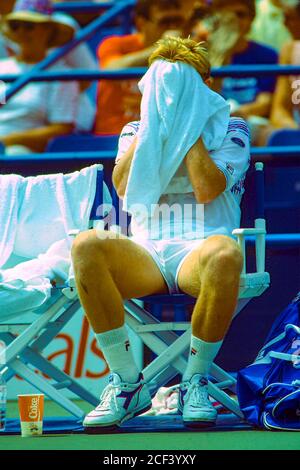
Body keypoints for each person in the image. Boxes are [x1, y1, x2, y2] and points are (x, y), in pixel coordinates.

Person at [72, 37, 250, 429]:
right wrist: (154, 125)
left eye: (182, 84)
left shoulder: (233, 127)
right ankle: (127, 384)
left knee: (225, 253)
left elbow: (207, 188)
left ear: (207, 84)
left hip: (201, 251)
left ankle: (194, 381)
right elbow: (121, 186)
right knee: (87, 245)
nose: (170, 93)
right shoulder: (135, 128)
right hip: (146, 252)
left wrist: (188, 122)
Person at [94, 0, 187, 135]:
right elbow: (110, 70)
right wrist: (161, 48)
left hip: (163, 137)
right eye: (165, 22)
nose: (172, 29)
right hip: (115, 135)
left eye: (177, 22)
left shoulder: (187, 52)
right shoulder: (115, 44)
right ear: (141, 23)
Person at [0, 0, 80, 155]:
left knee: (15, 154)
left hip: (21, 153)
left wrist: (8, 140)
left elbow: (61, 128)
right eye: (15, 26)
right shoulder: (2, 67)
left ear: (47, 30)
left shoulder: (62, 76)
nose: (21, 32)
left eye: (29, 26)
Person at [211, 0, 278, 145]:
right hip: (212, 124)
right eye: (227, 16)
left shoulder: (267, 55)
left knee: (271, 135)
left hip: (250, 123)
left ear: (251, 19)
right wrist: (222, 55)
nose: (234, 22)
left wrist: (239, 113)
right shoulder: (203, 54)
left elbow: (265, 102)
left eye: (240, 15)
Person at [270, 1, 300, 129]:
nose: (285, 24)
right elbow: (279, 110)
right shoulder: (289, 50)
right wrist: (294, 132)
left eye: (291, 18)